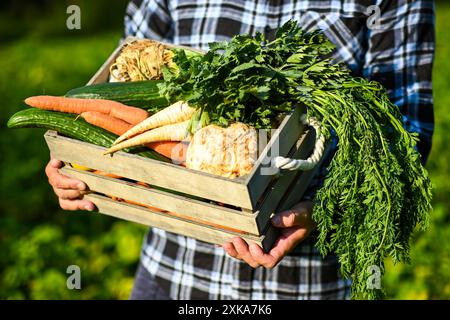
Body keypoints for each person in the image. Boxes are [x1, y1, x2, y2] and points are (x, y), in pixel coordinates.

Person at [45, 0, 435, 299]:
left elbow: (406, 135)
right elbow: (123, 69)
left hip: (308, 282)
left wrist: (322, 208)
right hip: (171, 271)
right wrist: (81, 164)